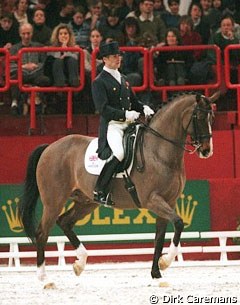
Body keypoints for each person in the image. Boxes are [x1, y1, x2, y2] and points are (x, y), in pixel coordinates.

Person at [92, 41, 154, 205]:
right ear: (105, 59)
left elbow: (133, 102)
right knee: (119, 153)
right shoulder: (99, 82)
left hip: (129, 123)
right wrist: (126, 114)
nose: (118, 59)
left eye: (119, 56)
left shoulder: (124, 79)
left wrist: (143, 108)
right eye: (114, 56)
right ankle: (100, 190)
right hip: (113, 125)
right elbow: (103, 109)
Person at [10, 22, 50, 115]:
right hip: (21, 74)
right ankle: (14, 103)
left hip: (36, 74)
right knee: (14, 78)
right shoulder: (14, 48)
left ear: (32, 33)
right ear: (20, 34)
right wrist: (23, 66)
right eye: (24, 33)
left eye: (28, 33)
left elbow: (43, 62)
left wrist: (34, 67)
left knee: (45, 79)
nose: (26, 36)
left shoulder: (39, 46)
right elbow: (11, 65)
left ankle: (39, 101)